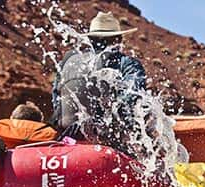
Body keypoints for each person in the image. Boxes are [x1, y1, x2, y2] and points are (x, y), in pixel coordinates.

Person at [51, 11, 146, 140]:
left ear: (90, 39)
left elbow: (57, 99)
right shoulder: (127, 63)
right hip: (104, 139)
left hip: (66, 136)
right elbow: (133, 97)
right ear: (118, 40)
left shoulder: (68, 61)